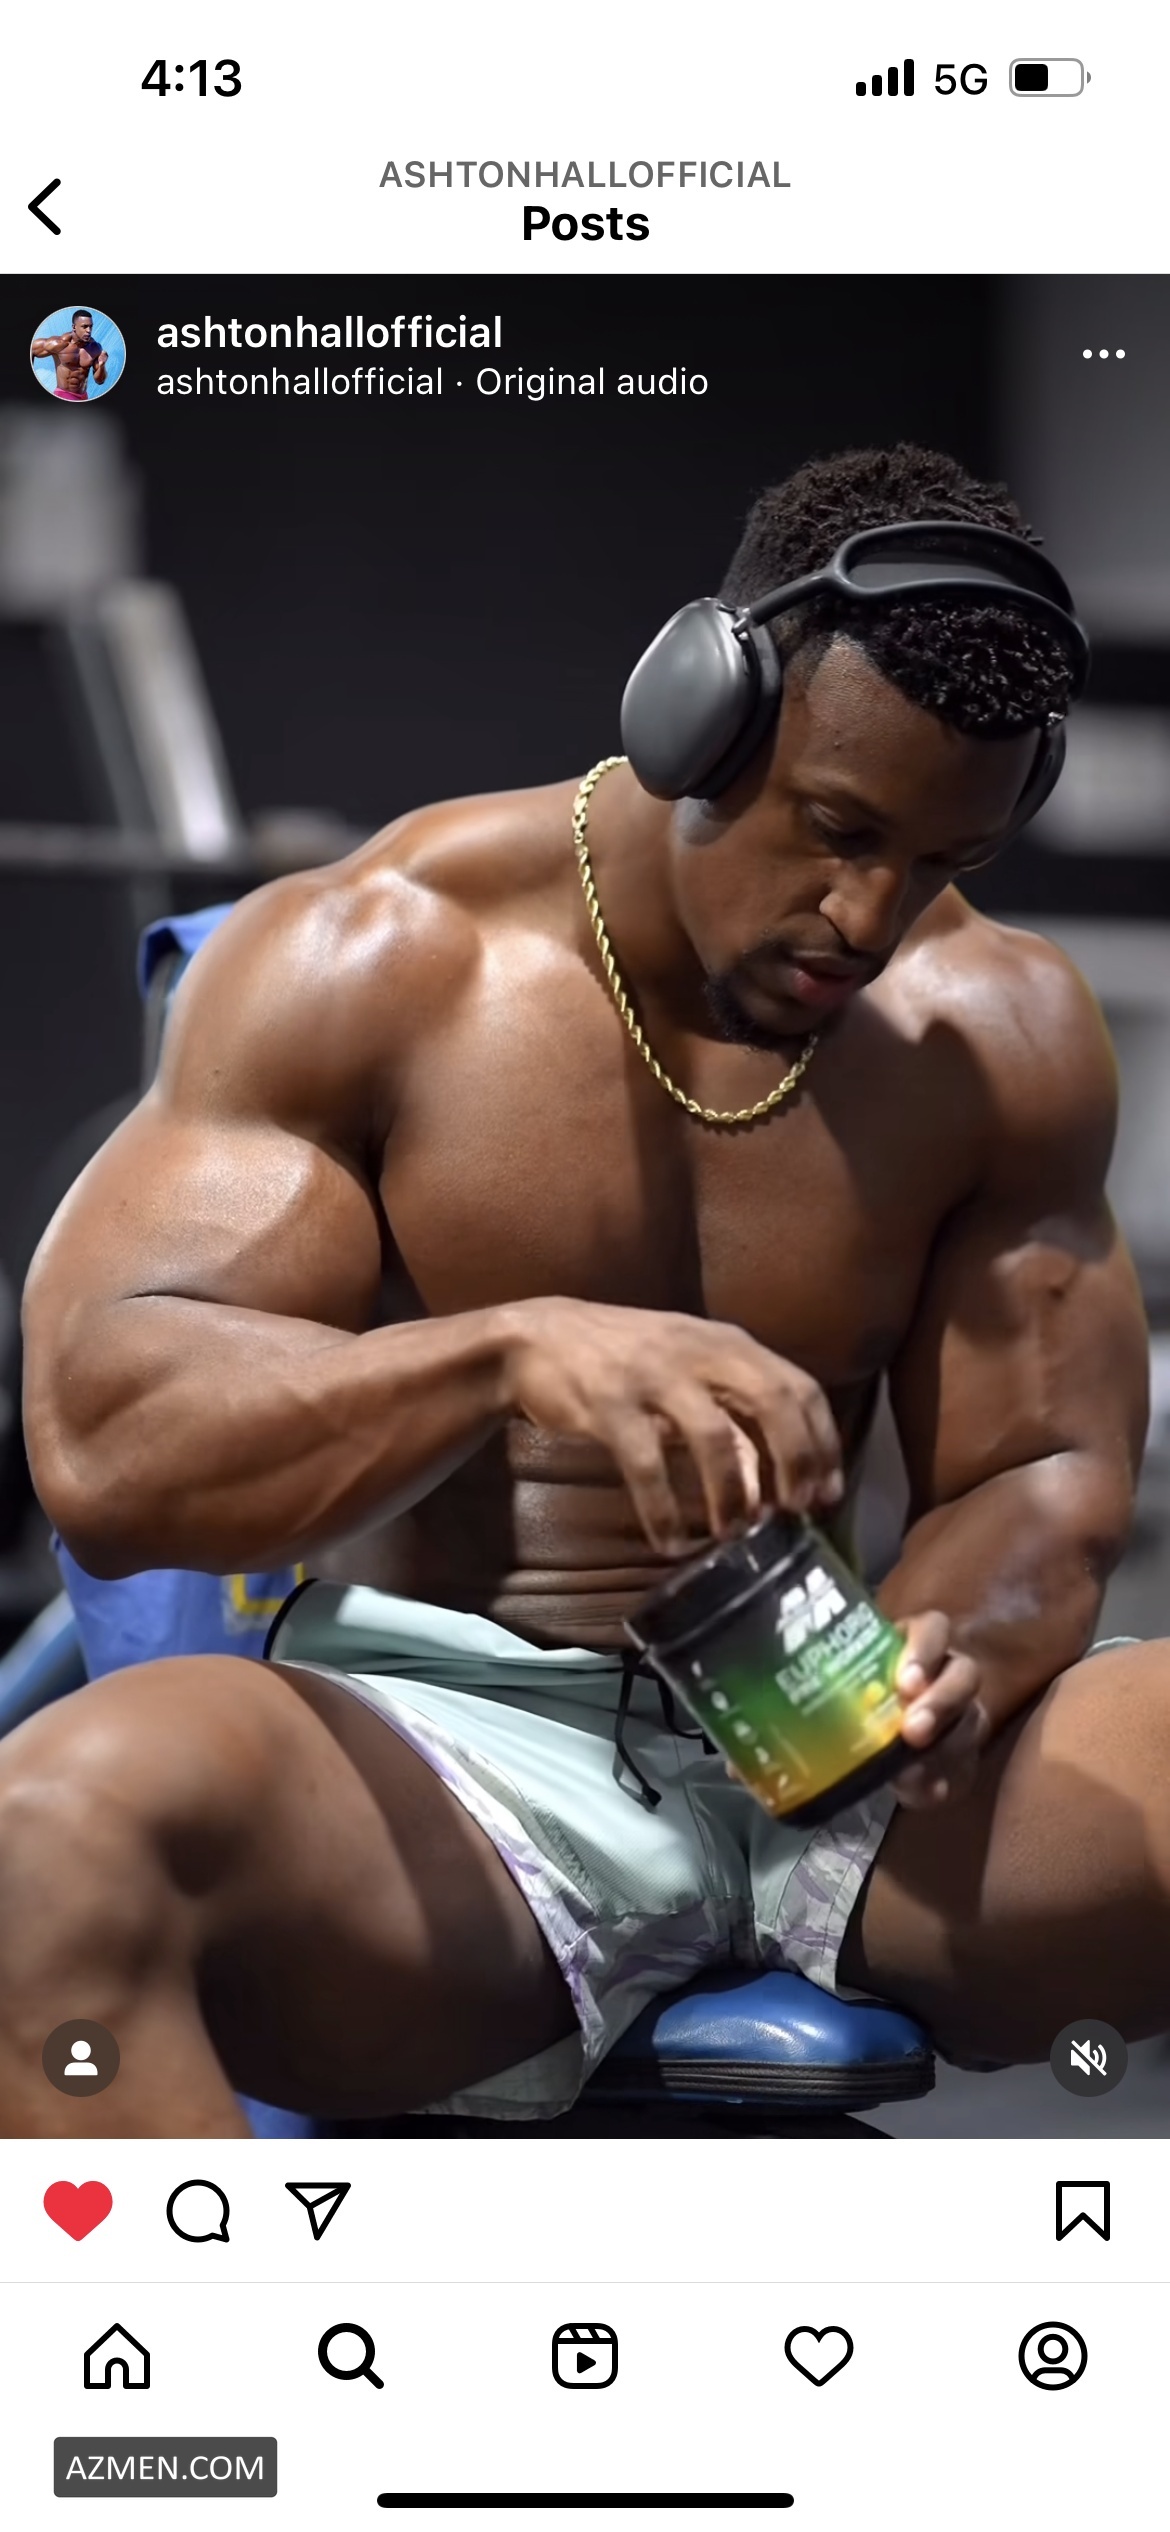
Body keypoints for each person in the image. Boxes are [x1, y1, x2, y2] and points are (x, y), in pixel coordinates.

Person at [12, 443, 1155, 2141]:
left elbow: (1038, 1466)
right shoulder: (373, 960)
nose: (869, 918)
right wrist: (500, 1353)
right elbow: (110, 1450)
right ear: (700, 714)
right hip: (451, 1770)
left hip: (848, 1758)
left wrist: (955, 1651)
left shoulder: (998, 1028)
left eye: (937, 860)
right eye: (838, 830)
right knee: (47, 1843)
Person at [30, 311, 108, 401]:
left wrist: (102, 365)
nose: (89, 331)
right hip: (63, 394)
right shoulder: (59, 344)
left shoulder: (95, 348)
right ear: (74, 327)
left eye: (91, 326)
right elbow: (32, 349)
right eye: (84, 326)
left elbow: (100, 381)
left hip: (83, 396)